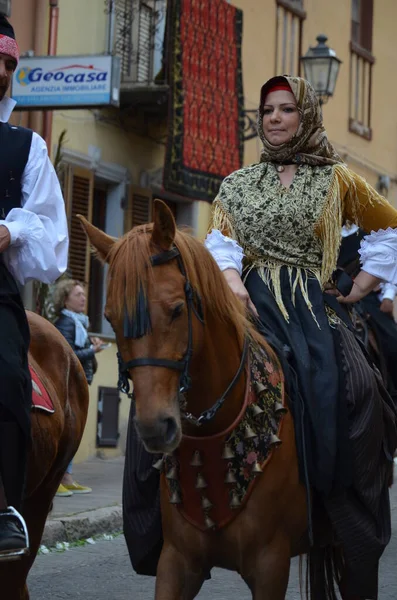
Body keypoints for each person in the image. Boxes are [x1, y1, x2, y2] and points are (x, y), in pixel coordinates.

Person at [203, 76, 397, 599]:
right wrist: (229, 284)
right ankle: (169, 512)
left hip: (312, 302)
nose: (274, 118)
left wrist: (360, 285)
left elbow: (388, 229)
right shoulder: (238, 183)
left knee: (344, 384)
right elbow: (220, 242)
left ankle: (337, 497)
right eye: (267, 110)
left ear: (304, 115)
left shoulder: (340, 180)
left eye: (286, 109)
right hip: (246, 297)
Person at [0, 16, 68, 556]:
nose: (1, 72)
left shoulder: (27, 148)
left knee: (5, 375)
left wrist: (10, 228)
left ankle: (2, 508)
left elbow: (51, 239)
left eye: (9, 65)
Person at [53, 279, 104, 496]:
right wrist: (92, 351)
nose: (83, 298)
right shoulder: (66, 322)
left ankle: (67, 477)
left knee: (74, 430)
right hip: (67, 383)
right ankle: (56, 479)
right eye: (78, 295)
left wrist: (92, 349)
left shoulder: (79, 322)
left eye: (84, 294)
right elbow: (67, 355)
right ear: (66, 300)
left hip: (76, 383)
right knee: (67, 430)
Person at [338, 223, 397, 403]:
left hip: (367, 295)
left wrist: (388, 295)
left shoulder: (369, 229)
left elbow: (386, 264)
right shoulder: (329, 230)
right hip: (335, 292)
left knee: (391, 339)